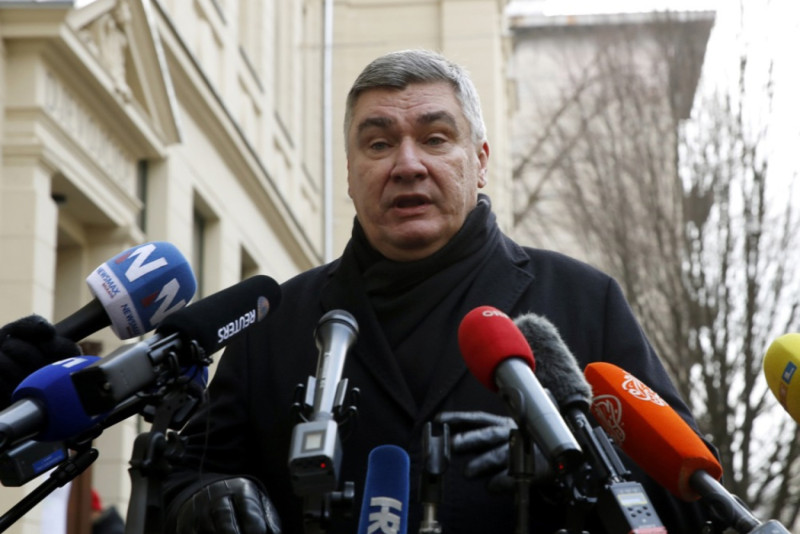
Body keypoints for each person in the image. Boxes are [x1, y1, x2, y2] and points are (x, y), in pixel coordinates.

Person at [162, 49, 719, 533]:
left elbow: (692, 500)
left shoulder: (584, 302)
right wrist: (203, 499)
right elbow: (185, 480)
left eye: (435, 138)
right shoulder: (275, 326)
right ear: (350, 173)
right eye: (378, 144)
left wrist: (573, 469)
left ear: (480, 162)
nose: (407, 165)